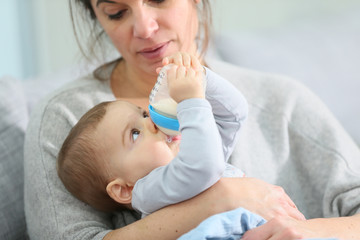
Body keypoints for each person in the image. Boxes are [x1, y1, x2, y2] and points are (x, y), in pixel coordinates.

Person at [23, 0, 360, 239]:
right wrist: (221, 200)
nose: (144, 28)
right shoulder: (69, 122)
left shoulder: (282, 99)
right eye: (116, 12)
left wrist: (308, 231)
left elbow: (232, 117)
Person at [57, 54, 247, 218]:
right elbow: (204, 167)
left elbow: (234, 115)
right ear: (125, 189)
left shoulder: (197, 149)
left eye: (144, 114)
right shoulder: (148, 192)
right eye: (135, 133)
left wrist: (199, 76)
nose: (152, 122)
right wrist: (191, 100)